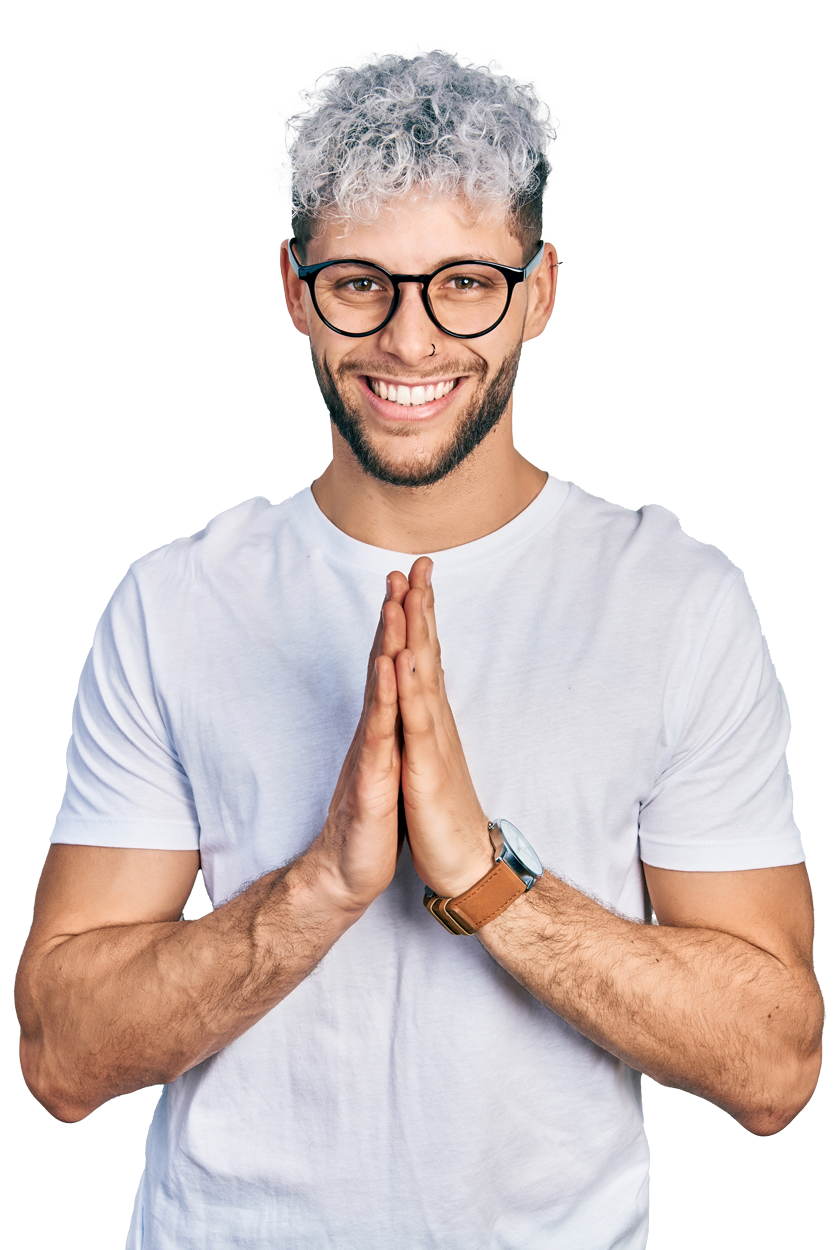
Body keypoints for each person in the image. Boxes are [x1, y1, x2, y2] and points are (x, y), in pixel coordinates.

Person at [14, 48, 823, 1250]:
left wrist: (487, 881)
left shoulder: (676, 604)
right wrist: (322, 887)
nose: (407, 339)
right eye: (359, 283)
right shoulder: (173, 605)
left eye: (463, 284)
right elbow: (61, 1056)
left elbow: (772, 1064)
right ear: (294, 289)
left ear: (538, 292)